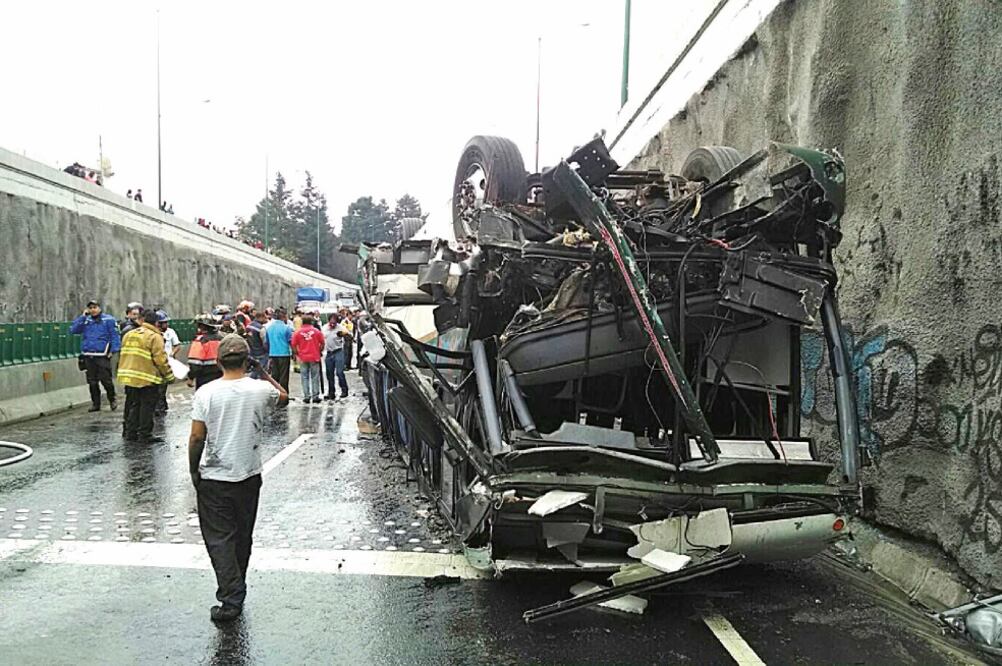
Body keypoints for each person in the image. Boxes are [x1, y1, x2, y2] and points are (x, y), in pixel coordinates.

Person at [187, 334, 288, 622]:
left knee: (219, 539)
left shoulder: (206, 393)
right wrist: (264, 371)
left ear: (218, 361)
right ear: (247, 361)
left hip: (215, 477)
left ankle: (231, 598)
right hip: (249, 476)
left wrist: (194, 470)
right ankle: (236, 585)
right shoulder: (260, 390)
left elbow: (196, 437)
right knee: (242, 536)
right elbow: (284, 397)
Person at [118, 310, 174, 442]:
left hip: (129, 376)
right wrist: (169, 376)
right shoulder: (154, 337)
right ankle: (145, 434)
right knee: (147, 406)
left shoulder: (130, 334)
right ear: (156, 323)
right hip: (146, 377)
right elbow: (160, 360)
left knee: (134, 405)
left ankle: (131, 433)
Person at [70, 299, 122, 412]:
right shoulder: (86, 321)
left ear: (99, 308)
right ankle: (96, 404)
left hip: (102, 354)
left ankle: (112, 399)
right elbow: (73, 330)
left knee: (106, 380)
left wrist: (113, 351)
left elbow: (114, 336)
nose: (93, 310)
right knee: (92, 382)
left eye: (95, 307)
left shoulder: (108, 320)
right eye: (90, 308)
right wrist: (82, 317)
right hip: (89, 354)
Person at [291, 315, 324, 403]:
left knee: (304, 377)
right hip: (314, 357)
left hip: (303, 357)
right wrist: (319, 351)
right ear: (311, 322)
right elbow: (322, 343)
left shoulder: (297, 332)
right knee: (315, 377)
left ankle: (306, 396)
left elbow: (293, 344)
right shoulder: (316, 331)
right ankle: (315, 396)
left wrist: (297, 353)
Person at [188, 316, 224, 390]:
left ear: (202, 327)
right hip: (221, 376)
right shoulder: (222, 338)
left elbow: (195, 364)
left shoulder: (200, 341)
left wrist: (191, 378)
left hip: (204, 378)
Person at [155, 310, 181, 415]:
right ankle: (160, 406)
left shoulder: (170, 332)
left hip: (166, 362)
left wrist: (172, 354)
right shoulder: (153, 334)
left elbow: (177, 345)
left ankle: (161, 408)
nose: (166, 324)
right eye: (164, 322)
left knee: (162, 387)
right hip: (155, 363)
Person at [265, 308, 293, 393]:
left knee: (274, 375)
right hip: (284, 354)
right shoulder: (287, 328)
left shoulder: (269, 328)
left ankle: (275, 393)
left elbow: (267, 342)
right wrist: (294, 353)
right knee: (284, 376)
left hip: (273, 354)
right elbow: (290, 341)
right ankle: (284, 393)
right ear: (284, 317)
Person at [323, 314, 349, 400]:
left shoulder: (341, 328)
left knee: (339, 372)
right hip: (329, 353)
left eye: (334, 323)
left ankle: (344, 390)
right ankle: (331, 392)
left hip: (338, 351)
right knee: (329, 374)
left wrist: (343, 334)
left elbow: (349, 335)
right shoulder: (324, 328)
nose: (332, 325)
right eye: (331, 323)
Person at [246, 311, 269, 379]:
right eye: (265, 318)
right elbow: (265, 342)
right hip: (261, 353)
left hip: (251, 352)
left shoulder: (248, 326)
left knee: (254, 368)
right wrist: (267, 351)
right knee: (260, 370)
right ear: (260, 317)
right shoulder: (261, 328)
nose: (266, 320)